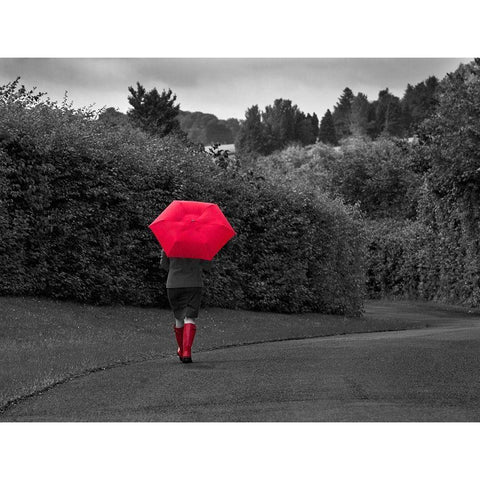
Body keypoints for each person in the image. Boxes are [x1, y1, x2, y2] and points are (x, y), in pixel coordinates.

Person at [160, 249, 212, 363]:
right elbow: (207, 266)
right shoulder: (199, 244)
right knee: (189, 317)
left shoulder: (170, 243)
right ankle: (187, 352)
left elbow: (164, 265)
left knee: (179, 317)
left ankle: (182, 349)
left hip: (174, 284)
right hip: (194, 283)